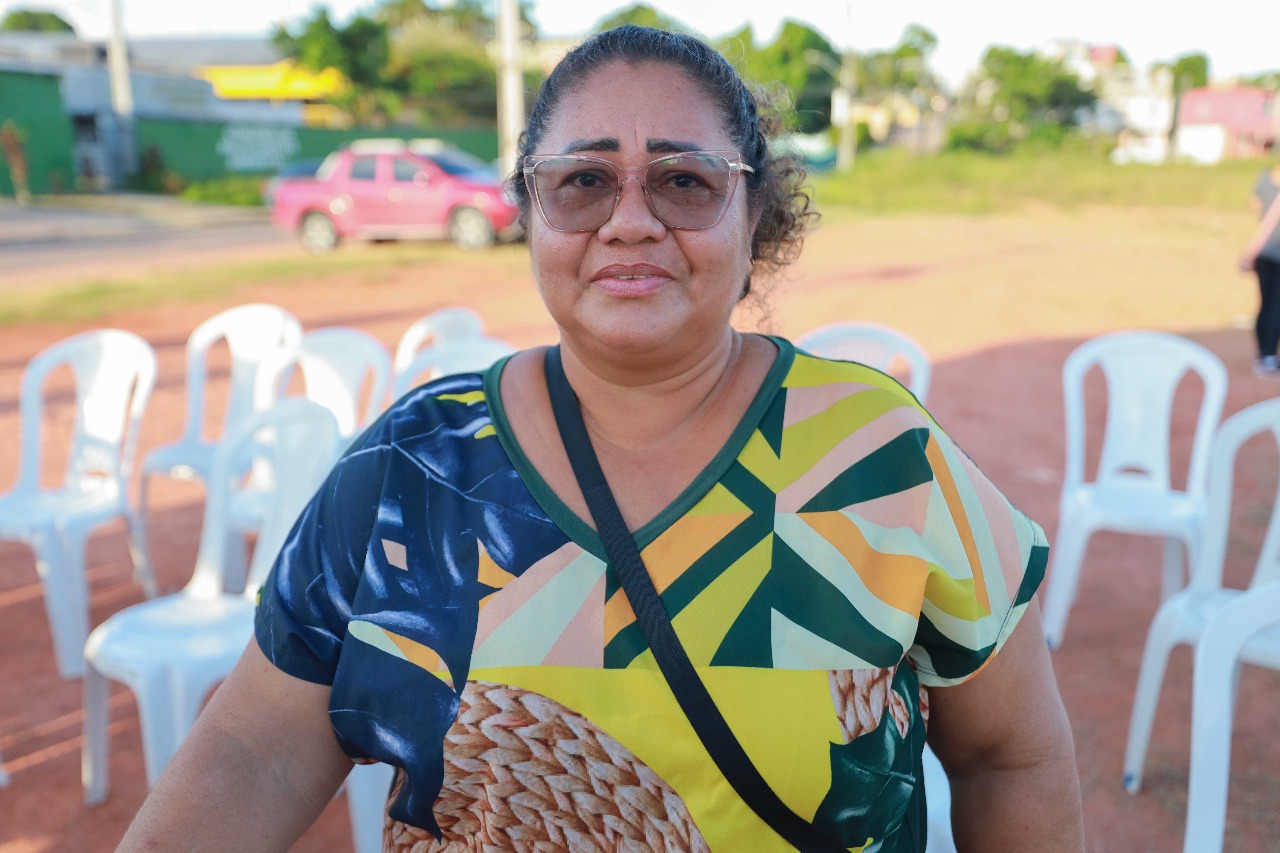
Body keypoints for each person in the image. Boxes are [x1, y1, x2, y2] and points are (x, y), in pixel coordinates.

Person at [119, 26, 1085, 852]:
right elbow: (254, 749)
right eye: (583, 180)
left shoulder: (879, 455)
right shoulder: (415, 467)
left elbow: (1011, 753)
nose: (630, 221)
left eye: (683, 180)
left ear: (755, 214)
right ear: (529, 212)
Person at [1240, 162, 1280, 377]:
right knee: (1276, 307)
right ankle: (1269, 356)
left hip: (1263, 252)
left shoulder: (1265, 178)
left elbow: (1254, 206)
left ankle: (1262, 353)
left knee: (1266, 304)